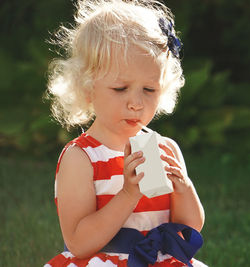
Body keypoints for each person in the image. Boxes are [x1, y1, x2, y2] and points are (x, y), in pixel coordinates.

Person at [44, 0, 206, 266]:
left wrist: (183, 189)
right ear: (87, 88)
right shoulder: (82, 158)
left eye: (149, 90)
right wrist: (129, 195)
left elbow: (189, 227)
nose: (136, 103)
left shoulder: (165, 149)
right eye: (121, 89)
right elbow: (78, 242)